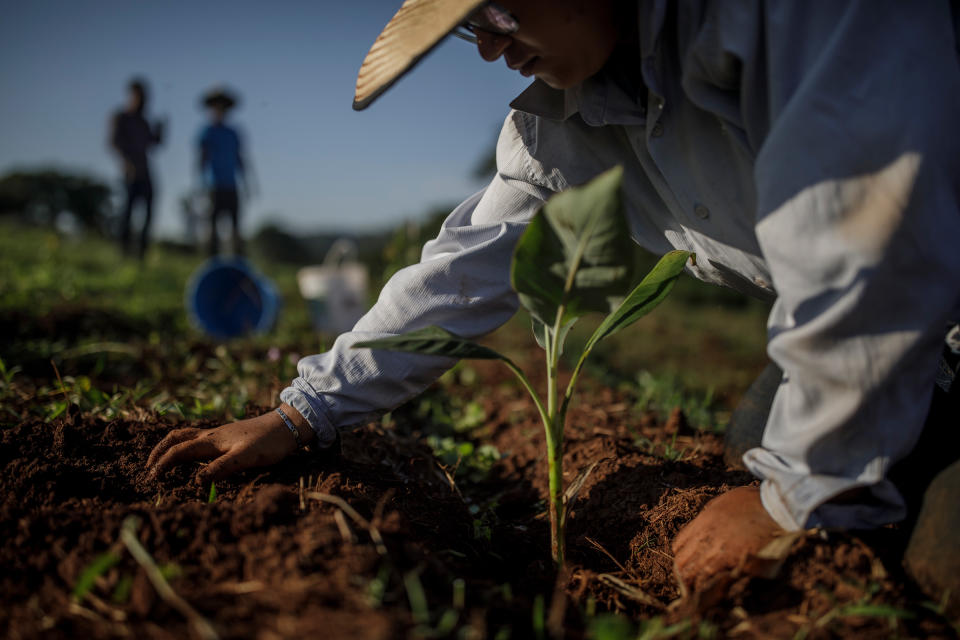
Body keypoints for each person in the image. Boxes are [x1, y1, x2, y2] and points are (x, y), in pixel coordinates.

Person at [147, 0, 960, 606]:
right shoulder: (561, 125)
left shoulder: (790, 17)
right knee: (754, 443)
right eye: (472, 29)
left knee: (940, 552)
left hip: (916, 290)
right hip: (908, 323)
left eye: (499, 9)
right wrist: (302, 412)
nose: (493, 48)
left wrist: (798, 493)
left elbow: (870, 243)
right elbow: (460, 273)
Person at [109, 77, 164, 259]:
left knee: (149, 210)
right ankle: (123, 251)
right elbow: (114, 142)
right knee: (128, 210)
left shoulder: (144, 122)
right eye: (139, 96)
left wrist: (160, 132)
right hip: (130, 171)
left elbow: (153, 144)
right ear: (131, 96)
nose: (143, 101)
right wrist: (127, 163)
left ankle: (141, 253)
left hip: (146, 171)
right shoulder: (121, 117)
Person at [197, 87, 248, 256]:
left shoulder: (233, 133)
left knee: (236, 226)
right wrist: (200, 183)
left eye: (223, 108)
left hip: (232, 186)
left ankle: (238, 261)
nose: (220, 111)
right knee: (212, 227)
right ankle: (211, 260)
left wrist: (247, 183)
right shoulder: (207, 132)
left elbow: (240, 158)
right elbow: (201, 159)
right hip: (214, 186)